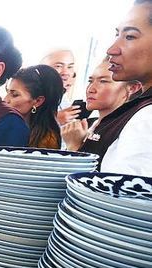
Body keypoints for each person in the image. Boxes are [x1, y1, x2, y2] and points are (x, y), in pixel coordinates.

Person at [63, 1, 152, 176]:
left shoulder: (146, 116)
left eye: (130, 36)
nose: (112, 50)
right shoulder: (131, 112)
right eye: (117, 34)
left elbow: (121, 196)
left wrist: (75, 148)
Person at [62, 58, 142, 158]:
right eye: (90, 81)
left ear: (132, 88)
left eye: (103, 81)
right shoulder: (86, 125)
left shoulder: (128, 130)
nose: (91, 89)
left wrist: (74, 146)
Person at [3, 65, 64, 148]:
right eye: (7, 92)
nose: (5, 100)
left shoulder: (47, 141)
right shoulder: (6, 125)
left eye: (14, 95)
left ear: (38, 101)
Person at [42, 49, 80, 125]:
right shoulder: (30, 97)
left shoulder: (64, 99)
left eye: (70, 67)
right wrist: (55, 120)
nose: (65, 72)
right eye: (58, 66)